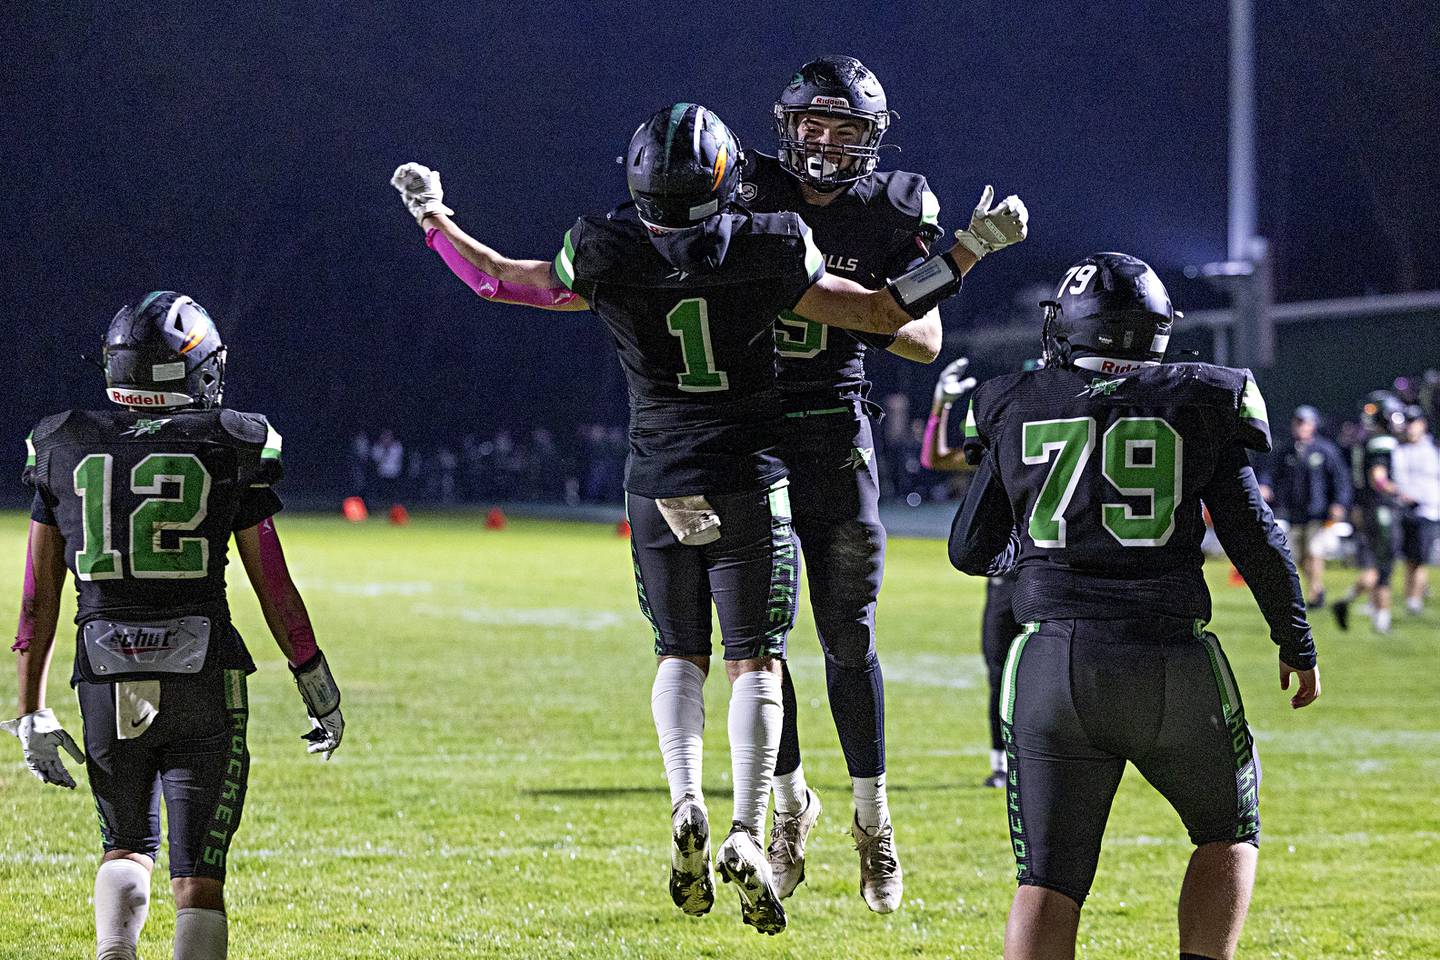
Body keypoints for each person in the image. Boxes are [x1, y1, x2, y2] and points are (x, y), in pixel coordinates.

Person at [392, 102, 1025, 934]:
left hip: (654, 478)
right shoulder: (770, 245)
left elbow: (495, 279)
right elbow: (883, 314)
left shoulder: (604, 246)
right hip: (746, 469)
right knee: (756, 663)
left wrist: (433, 218)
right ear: (731, 180)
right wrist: (971, 250)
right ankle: (744, 828)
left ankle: (687, 798)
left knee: (677, 656)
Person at [949, 253, 1320, 960]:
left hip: (1053, 661)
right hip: (1169, 658)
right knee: (1227, 831)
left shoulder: (1011, 399)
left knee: (1048, 880)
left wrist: (1032, 563)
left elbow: (970, 548)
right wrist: (1295, 638)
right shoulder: (1204, 394)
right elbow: (1252, 533)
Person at [4, 292, 344, 960]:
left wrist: (29, 710)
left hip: (105, 675)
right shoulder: (232, 442)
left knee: (125, 848)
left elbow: (36, 600)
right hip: (202, 680)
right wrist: (315, 677)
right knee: (199, 883)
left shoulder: (61, 443)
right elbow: (272, 581)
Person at [740, 55, 999, 912]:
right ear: (787, 126)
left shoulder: (893, 207)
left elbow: (921, 338)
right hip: (748, 435)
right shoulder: (742, 187)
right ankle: (787, 811)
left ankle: (873, 824)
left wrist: (866, 305)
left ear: (871, 141)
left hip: (834, 432)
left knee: (848, 640)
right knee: (760, 645)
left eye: (844, 130)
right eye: (813, 124)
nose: (823, 141)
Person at [920, 356, 1013, 789]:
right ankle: (1002, 763)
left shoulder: (1058, 439)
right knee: (998, 674)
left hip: (1043, 574)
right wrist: (941, 405)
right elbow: (935, 457)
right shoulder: (999, 451)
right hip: (1003, 579)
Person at [1255, 405, 1351, 607]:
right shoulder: (1287, 450)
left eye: (1305, 422)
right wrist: (1265, 486)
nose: (1301, 426)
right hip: (1294, 512)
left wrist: (1339, 503)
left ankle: (1315, 594)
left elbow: (1340, 479)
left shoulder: (1326, 450)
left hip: (1319, 512)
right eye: (1298, 422)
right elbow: (1270, 473)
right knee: (1299, 556)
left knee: (1315, 551)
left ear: (1313, 425)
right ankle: (1317, 588)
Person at [1333, 392, 1407, 633]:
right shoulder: (1381, 443)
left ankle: (1375, 615)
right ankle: (1377, 618)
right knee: (1383, 568)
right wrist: (1400, 492)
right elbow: (1379, 478)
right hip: (1382, 508)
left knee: (1379, 565)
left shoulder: (1366, 440)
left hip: (1368, 508)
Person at [1393, 405, 1440, 614]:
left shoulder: (1432, 450)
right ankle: (1409, 596)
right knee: (1409, 558)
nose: (1410, 428)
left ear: (1423, 424)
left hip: (1428, 510)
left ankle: (1415, 599)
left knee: (1420, 558)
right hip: (1405, 510)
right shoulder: (1400, 449)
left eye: (1414, 423)